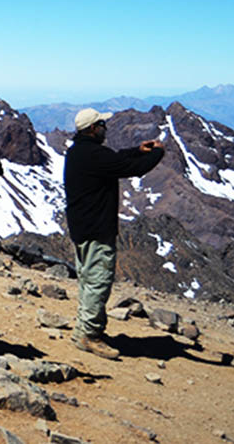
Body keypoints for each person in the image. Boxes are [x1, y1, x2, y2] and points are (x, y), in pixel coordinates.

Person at [64, 108, 165, 360]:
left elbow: (116, 159)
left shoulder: (78, 152)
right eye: (102, 124)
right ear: (92, 129)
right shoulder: (94, 155)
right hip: (97, 229)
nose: (105, 128)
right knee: (98, 283)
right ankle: (89, 336)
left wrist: (136, 149)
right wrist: (158, 153)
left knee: (88, 280)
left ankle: (83, 330)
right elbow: (132, 168)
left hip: (82, 228)